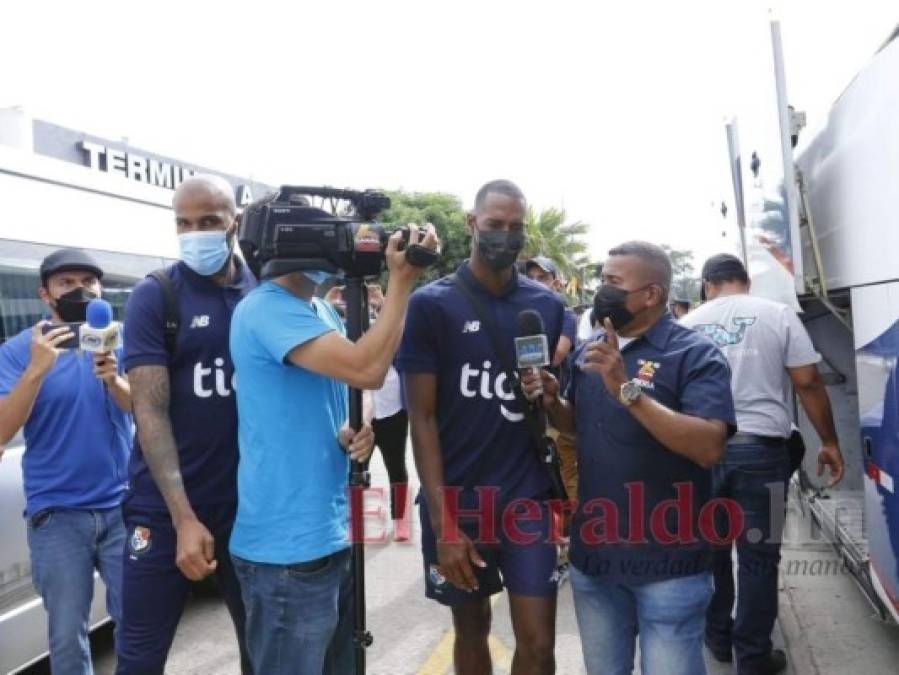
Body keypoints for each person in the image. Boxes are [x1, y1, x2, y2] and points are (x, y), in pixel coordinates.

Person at [228, 216, 439, 674]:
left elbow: (356, 388)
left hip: (329, 532)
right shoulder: (267, 308)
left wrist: (356, 422)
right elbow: (368, 369)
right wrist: (401, 282)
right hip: (286, 550)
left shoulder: (318, 312)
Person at [523, 240, 737, 675]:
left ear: (652, 294)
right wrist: (552, 402)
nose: (602, 291)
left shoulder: (694, 354)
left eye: (613, 282)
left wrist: (627, 390)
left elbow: (709, 446)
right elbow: (581, 427)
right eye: (602, 280)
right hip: (596, 562)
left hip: (669, 566)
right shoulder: (590, 352)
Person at [399, 180, 566, 675]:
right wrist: (443, 522)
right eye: (495, 225)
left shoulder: (547, 307)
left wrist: (550, 396)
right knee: (471, 629)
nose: (506, 236)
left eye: (516, 228)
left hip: (526, 500)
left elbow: (553, 412)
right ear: (473, 224)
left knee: (538, 643)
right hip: (460, 501)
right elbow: (421, 418)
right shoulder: (431, 306)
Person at [116, 175, 256, 674]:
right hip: (163, 509)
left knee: (260, 652)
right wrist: (182, 517)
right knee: (139, 657)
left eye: (209, 222)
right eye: (184, 223)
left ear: (233, 223)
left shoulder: (262, 290)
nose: (195, 233)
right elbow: (149, 411)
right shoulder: (156, 297)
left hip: (248, 508)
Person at [681, 253, 844, 675]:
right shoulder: (778, 314)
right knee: (758, 557)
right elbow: (807, 382)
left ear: (706, 284)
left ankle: (717, 639)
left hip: (701, 452)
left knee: (711, 553)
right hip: (762, 452)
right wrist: (828, 441)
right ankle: (752, 658)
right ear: (746, 282)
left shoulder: (684, 325)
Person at [0, 248, 131, 675]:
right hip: (56, 514)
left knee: (138, 623)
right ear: (45, 295)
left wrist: (114, 378)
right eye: (66, 283)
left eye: (88, 282)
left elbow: (144, 410)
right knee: (66, 636)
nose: (80, 289)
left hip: (122, 507)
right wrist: (37, 369)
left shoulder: (117, 337)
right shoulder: (19, 350)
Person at [366, 282, 411, 540]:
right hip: (361, 413)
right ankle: (357, 519)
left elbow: (401, 329)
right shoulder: (348, 324)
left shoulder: (390, 330)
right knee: (356, 470)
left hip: (392, 411)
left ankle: (400, 520)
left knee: (396, 466)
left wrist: (384, 302)